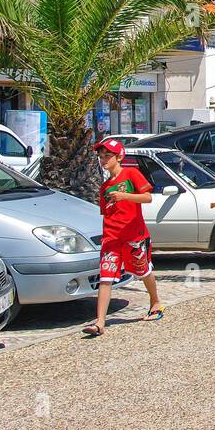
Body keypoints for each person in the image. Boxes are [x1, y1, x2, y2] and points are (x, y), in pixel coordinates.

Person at [84, 138, 164, 337]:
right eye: (101, 157)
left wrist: (125, 196)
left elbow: (148, 197)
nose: (103, 160)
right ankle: (100, 322)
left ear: (119, 157)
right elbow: (108, 213)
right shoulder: (104, 188)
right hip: (111, 239)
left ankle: (155, 302)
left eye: (107, 156)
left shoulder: (131, 174)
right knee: (105, 278)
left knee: (143, 271)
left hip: (134, 236)